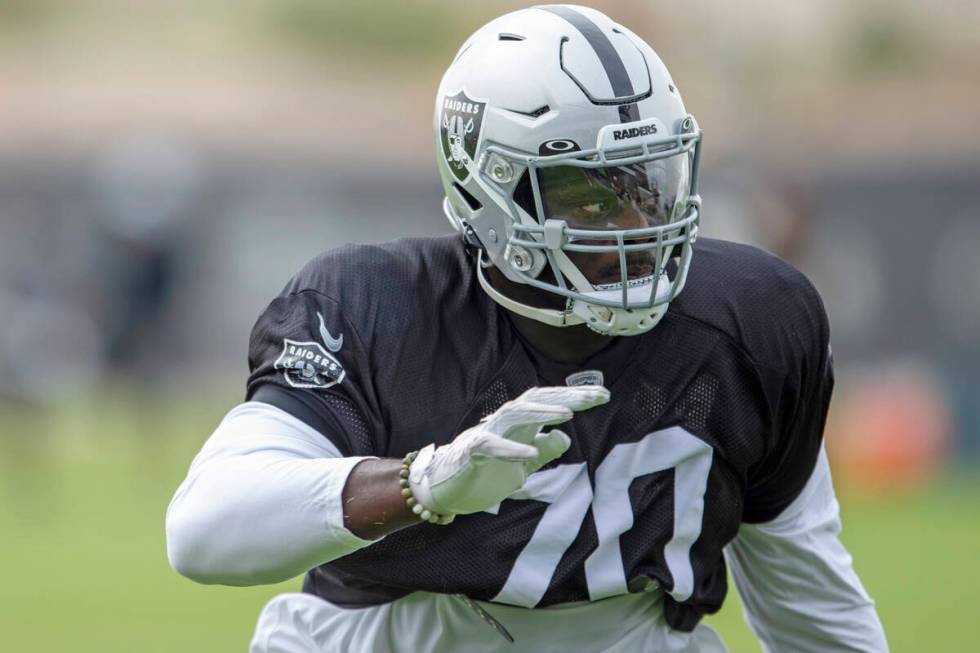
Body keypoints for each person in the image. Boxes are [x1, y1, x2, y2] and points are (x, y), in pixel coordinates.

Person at [166, 6, 888, 652]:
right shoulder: (379, 308)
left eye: (648, 180)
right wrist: (424, 484)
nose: (638, 224)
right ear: (489, 188)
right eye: (588, 193)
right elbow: (204, 529)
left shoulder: (746, 321)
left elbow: (813, 608)